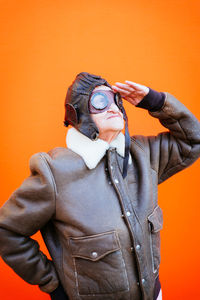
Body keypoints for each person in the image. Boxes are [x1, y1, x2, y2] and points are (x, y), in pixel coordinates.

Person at [0, 72, 199, 300]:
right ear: (78, 113)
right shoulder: (54, 173)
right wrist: (53, 285)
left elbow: (193, 139)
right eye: (100, 101)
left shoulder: (143, 155)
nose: (113, 107)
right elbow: (7, 230)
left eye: (116, 100)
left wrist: (155, 101)